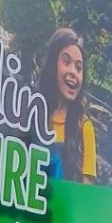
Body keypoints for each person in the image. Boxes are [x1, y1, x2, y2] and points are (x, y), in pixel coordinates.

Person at [35, 27, 96, 184]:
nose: (73, 72)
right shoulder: (31, 114)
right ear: (52, 64)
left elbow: (85, 193)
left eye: (79, 68)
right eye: (66, 62)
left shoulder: (84, 128)